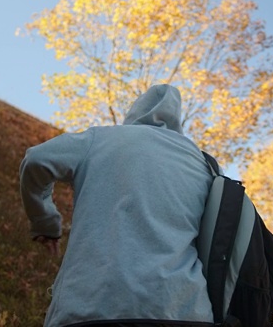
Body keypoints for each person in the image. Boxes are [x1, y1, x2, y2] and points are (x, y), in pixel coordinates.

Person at [19, 84, 214, 327]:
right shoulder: (204, 165)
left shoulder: (101, 138)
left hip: (94, 307)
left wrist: (45, 222)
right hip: (186, 312)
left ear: (134, 114)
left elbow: (36, 160)